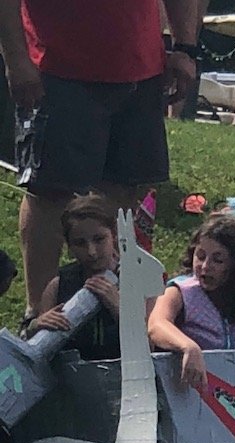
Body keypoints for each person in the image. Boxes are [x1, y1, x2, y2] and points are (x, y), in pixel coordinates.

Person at [0, 1, 203, 335]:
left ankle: (105, 306)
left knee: (123, 193)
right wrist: (16, 61)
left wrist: (185, 47)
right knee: (50, 192)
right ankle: (38, 315)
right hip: (58, 66)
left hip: (141, 65)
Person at [148, 215, 235, 389]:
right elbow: (156, 324)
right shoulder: (180, 291)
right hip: (192, 393)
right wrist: (188, 347)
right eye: (200, 256)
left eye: (218, 260)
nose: (205, 266)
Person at [25, 193, 121, 360]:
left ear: (114, 235)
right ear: (69, 246)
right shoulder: (59, 286)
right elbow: (36, 357)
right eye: (80, 243)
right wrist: (35, 326)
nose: (91, 252)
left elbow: (151, 347)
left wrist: (118, 308)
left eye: (99, 239)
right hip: (72, 380)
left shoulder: (139, 278)